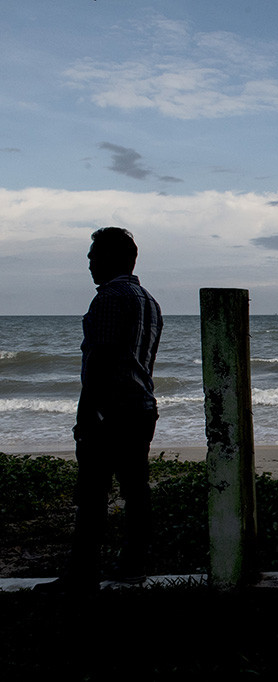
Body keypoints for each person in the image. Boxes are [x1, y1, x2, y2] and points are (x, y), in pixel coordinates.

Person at [38, 227, 163, 593]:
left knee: (92, 493)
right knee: (135, 490)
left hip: (113, 410)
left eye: (95, 255)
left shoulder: (109, 298)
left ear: (112, 257)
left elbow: (101, 360)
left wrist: (85, 414)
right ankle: (133, 565)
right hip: (141, 405)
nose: (90, 262)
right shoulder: (148, 300)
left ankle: (81, 574)